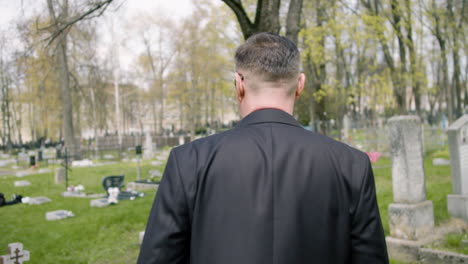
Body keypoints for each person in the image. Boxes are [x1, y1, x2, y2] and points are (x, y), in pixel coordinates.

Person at [137, 32, 388, 264]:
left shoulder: (189, 160)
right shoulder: (352, 164)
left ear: (239, 84)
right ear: (300, 84)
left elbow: (158, 257)